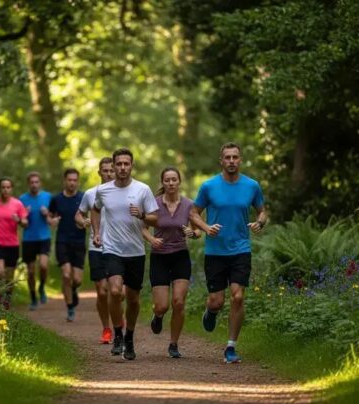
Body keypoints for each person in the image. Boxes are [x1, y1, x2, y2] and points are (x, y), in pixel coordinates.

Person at [192, 142, 267, 363]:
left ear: (240, 160)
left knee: (238, 296)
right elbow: (194, 213)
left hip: (241, 249)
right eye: (228, 158)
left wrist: (259, 223)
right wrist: (206, 228)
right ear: (221, 160)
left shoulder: (252, 186)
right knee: (217, 301)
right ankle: (211, 312)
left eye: (235, 157)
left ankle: (231, 347)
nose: (232, 161)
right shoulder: (209, 186)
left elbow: (262, 211)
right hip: (215, 251)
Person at [91, 148, 158, 360]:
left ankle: (129, 336)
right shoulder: (104, 190)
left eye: (125, 164)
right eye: (118, 164)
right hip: (112, 249)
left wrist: (143, 215)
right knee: (115, 291)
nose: (121, 168)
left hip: (135, 251)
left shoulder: (143, 190)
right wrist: (97, 232)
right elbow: (94, 209)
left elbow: (155, 219)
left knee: (134, 299)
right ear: (114, 165)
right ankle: (118, 332)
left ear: (132, 166)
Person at [142, 167, 208, 358]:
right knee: (162, 305)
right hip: (159, 256)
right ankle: (158, 315)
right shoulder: (153, 204)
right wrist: (151, 240)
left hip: (180, 256)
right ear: (162, 183)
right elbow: (143, 228)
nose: (171, 183)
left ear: (179, 182)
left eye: (174, 180)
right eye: (167, 180)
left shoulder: (189, 205)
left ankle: (173, 344)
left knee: (178, 302)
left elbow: (197, 231)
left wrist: (193, 233)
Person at [75, 157, 117, 343]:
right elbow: (79, 213)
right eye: (105, 170)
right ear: (99, 172)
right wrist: (81, 221)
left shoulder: (123, 193)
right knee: (101, 291)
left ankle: (118, 321)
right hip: (96, 246)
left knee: (117, 292)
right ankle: (106, 328)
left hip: (118, 248)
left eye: (111, 170)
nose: (108, 173)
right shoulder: (91, 194)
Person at [0, 177, 29, 310]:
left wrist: (19, 220)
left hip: (12, 244)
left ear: (11, 189)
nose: (5, 190)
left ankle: (6, 301)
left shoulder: (18, 204)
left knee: (9, 278)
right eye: (3, 187)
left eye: (8, 187)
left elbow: (25, 223)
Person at [49, 168, 86, 322]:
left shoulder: (84, 197)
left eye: (74, 180)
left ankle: (73, 290)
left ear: (77, 181)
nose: (72, 183)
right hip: (62, 241)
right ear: (64, 181)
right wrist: (52, 221)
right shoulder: (56, 199)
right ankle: (70, 307)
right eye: (69, 180)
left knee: (76, 280)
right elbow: (50, 217)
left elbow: (90, 216)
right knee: (66, 274)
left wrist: (87, 222)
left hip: (79, 241)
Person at [19, 171, 54, 310]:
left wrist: (47, 214)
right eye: (32, 182)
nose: (34, 184)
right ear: (28, 184)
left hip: (44, 237)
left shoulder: (48, 197)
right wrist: (25, 216)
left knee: (44, 265)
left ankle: (42, 287)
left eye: (36, 182)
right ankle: (33, 297)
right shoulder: (22, 199)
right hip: (29, 239)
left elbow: (52, 217)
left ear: (40, 183)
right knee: (31, 271)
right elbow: (21, 223)